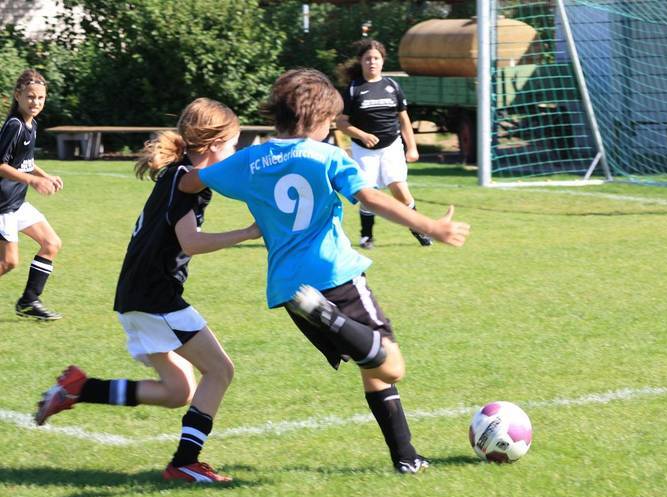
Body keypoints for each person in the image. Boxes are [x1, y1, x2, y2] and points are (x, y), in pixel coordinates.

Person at [179, 68, 470, 474]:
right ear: (316, 119)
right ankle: (328, 317)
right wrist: (430, 227)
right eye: (331, 122)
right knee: (391, 366)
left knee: (372, 370)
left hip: (288, 289)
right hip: (336, 279)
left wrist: (176, 166)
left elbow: (190, 183)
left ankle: (406, 457)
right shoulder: (327, 155)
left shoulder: (249, 160)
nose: (333, 128)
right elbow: (369, 196)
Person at [34, 98, 262, 484]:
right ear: (213, 144)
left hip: (137, 295)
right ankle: (185, 463)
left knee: (178, 390)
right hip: (156, 296)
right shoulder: (185, 178)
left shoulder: (180, 175)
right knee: (220, 370)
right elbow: (191, 243)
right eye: (234, 145)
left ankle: (79, 389)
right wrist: (249, 232)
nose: (236, 153)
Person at [335, 39, 431, 249]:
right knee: (368, 194)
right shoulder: (353, 89)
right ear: (361, 61)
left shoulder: (392, 86)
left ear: (382, 61)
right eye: (368, 58)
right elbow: (341, 122)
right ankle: (366, 237)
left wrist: (412, 147)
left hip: (392, 147)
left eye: (376, 58)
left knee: (401, 192)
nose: (372, 62)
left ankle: (418, 229)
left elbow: (404, 119)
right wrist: (362, 135)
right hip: (364, 151)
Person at [0, 69, 65, 320]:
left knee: (51, 243)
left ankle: (29, 302)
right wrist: (33, 181)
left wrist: (44, 175)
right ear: (18, 96)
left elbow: (25, 161)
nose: (35, 102)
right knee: (8, 262)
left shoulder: (31, 124)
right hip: (3, 205)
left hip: (17, 203)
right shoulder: (15, 125)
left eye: (40, 98)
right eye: (30, 97)